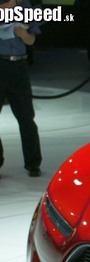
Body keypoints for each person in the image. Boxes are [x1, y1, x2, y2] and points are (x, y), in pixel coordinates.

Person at [0, 0, 43, 178]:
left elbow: (32, 39)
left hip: (19, 65)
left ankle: (33, 163)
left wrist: (24, 35)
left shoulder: (25, 7)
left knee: (26, 116)